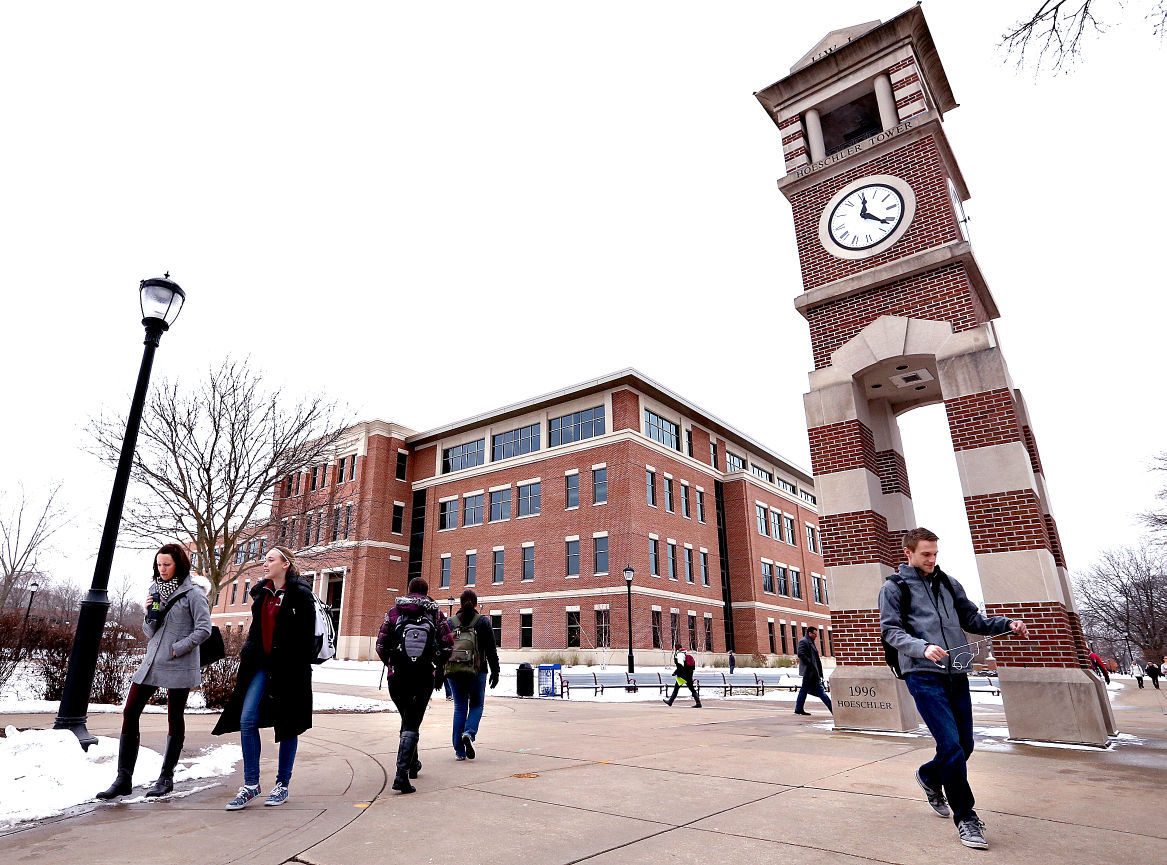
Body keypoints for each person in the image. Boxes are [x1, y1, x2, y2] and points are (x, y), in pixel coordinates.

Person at [879, 527, 1028, 851]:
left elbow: (973, 620)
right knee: (950, 744)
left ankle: (931, 777)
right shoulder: (895, 587)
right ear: (909, 553)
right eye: (925, 554)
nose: (932, 560)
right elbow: (890, 631)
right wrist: (921, 647)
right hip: (923, 673)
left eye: (935, 554)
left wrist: (1006, 624)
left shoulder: (949, 584)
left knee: (964, 745)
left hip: (956, 672)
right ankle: (967, 818)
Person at [96, 544, 212, 800]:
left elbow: (205, 629)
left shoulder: (194, 594)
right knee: (130, 711)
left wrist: (177, 648)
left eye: (167, 564)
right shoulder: (154, 589)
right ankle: (123, 779)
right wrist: (148, 613)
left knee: (174, 716)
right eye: (159, 564)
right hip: (152, 661)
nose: (162, 569)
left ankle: (165, 778)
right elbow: (150, 632)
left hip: (178, 662)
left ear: (179, 565)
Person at [212, 545, 316, 810]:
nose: (264, 564)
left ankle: (282, 785)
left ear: (285, 565)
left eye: (270, 559)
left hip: (290, 669)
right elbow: (256, 632)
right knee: (247, 718)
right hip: (259, 665)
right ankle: (251, 785)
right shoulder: (261, 594)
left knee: (288, 724)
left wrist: (293, 661)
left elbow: (306, 638)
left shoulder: (301, 595)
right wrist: (248, 653)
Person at [376, 577, 453, 793]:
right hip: (423, 676)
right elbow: (448, 646)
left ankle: (412, 764)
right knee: (412, 721)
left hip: (397, 676)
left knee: (408, 720)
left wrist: (392, 664)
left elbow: (381, 645)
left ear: (408, 591)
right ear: (427, 592)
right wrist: (435, 665)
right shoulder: (435, 614)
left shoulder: (394, 612)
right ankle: (401, 775)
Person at [446, 589, 501, 760]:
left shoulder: (450, 623)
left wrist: (440, 674)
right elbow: (491, 650)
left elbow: (443, 649)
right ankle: (469, 733)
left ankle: (459, 751)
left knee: (459, 707)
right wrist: (495, 672)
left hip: (454, 673)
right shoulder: (483, 622)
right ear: (476, 604)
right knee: (476, 705)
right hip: (478, 671)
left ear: (460, 604)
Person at [793, 627, 832, 716]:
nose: (816, 636)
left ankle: (798, 709)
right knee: (821, 692)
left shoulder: (810, 641)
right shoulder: (804, 641)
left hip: (813, 672)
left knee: (805, 690)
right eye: (815, 634)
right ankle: (833, 710)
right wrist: (810, 664)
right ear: (810, 633)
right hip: (810, 672)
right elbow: (801, 654)